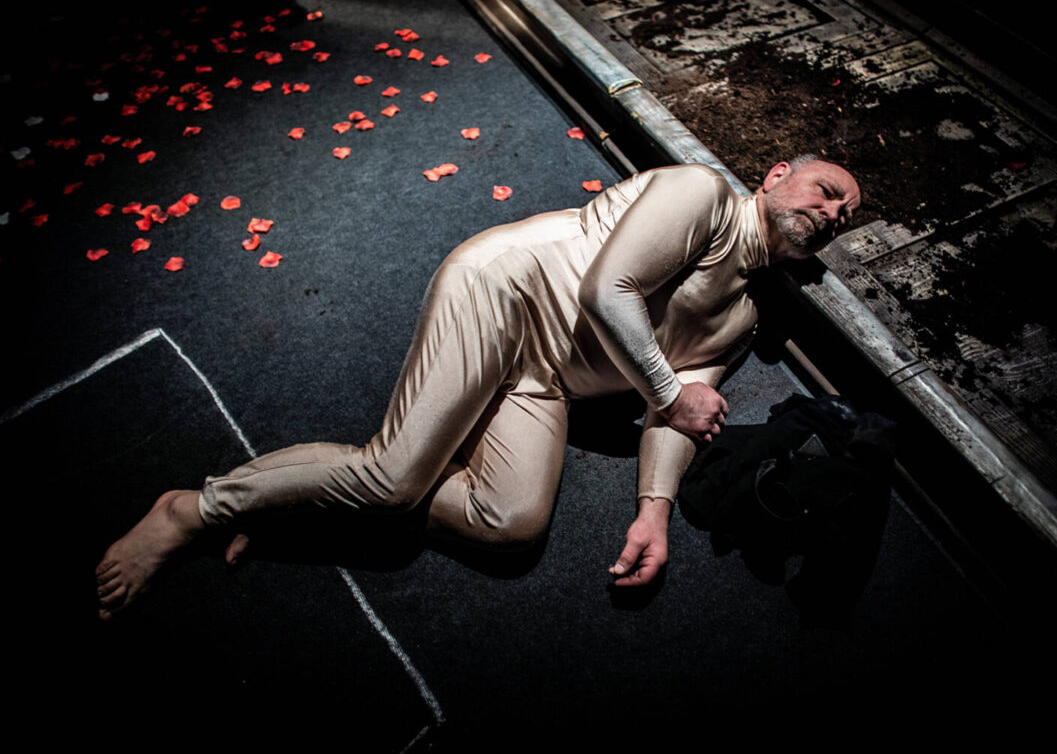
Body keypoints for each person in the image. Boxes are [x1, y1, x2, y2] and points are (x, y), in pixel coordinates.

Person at [95, 156, 861, 619]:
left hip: (546, 378)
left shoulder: (745, 315)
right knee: (394, 481)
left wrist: (653, 512)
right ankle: (193, 509)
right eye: (825, 190)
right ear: (776, 176)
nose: (830, 213)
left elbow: (683, 416)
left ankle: (295, 504)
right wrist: (669, 393)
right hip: (504, 293)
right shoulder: (701, 194)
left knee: (510, 525)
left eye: (843, 218)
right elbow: (608, 291)